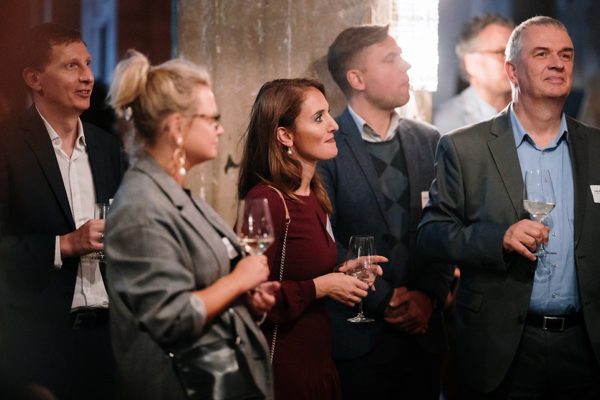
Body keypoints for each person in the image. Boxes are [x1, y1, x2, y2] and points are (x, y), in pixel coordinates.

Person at [417, 16, 600, 399]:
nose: (558, 63)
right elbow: (431, 236)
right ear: (511, 70)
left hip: (585, 347)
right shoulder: (464, 148)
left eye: (566, 54)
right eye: (542, 53)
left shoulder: (596, 148)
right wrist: (498, 238)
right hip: (501, 349)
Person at [104, 50, 278, 400]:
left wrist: (246, 300)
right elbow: (171, 316)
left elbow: (206, 286)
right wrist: (238, 280)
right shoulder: (140, 207)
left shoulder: (175, 193)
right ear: (177, 127)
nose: (221, 128)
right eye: (212, 118)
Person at [318, 25, 454, 399]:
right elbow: (323, 238)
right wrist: (384, 298)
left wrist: (429, 296)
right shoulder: (328, 146)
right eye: (391, 59)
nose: (406, 66)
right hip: (359, 334)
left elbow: (445, 225)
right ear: (356, 78)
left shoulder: (429, 139)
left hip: (424, 332)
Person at [0, 23, 126, 399]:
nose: (88, 76)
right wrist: (64, 246)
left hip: (108, 337)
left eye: (87, 64)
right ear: (34, 78)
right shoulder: (6, 146)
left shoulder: (107, 148)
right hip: (36, 345)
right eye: (71, 66)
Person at [238, 78, 384, 400]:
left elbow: (300, 269)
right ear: (285, 135)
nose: (333, 125)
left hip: (318, 365)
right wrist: (323, 286)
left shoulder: (313, 195)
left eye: (329, 114)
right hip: (282, 373)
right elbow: (248, 295)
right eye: (318, 117)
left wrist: (343, 273)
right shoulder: (263, 200)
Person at [434, 14, 514, 134]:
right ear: (471, 63)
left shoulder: (532, 113)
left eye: (516, 52)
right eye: (501, 53)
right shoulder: (450, 122)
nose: (512, 61)